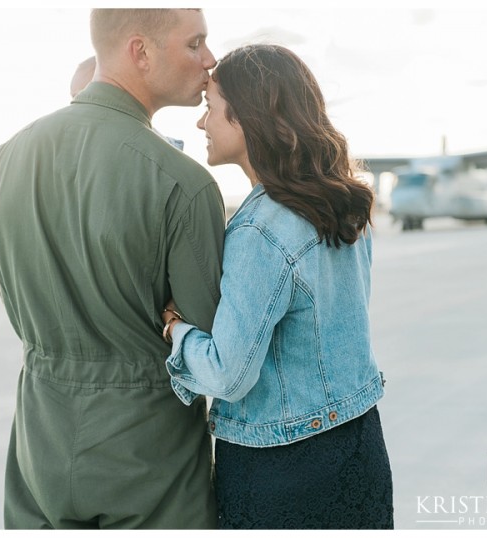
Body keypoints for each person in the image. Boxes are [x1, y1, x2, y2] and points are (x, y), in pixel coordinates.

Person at [0, 9, 224, 529]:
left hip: (38, 447)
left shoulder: (7, 157)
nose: (210, 60)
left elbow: (10, 284)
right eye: (195, 43)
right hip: (148, 460)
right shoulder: (184, 183)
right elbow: (211, 336)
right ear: (140, 51)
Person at [161, 44, 394, 529]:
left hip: (280, 469)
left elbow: (228, 375)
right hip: (360, 448)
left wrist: (176, 332)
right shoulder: (343, 203)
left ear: (247, 118)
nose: (202, 124)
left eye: (210, 108)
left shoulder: (259, 230)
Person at [70, 54, 185, 150]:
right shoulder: (77, 147)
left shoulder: (160, 150)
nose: (76, 107)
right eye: (74, 99)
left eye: (86, 96)